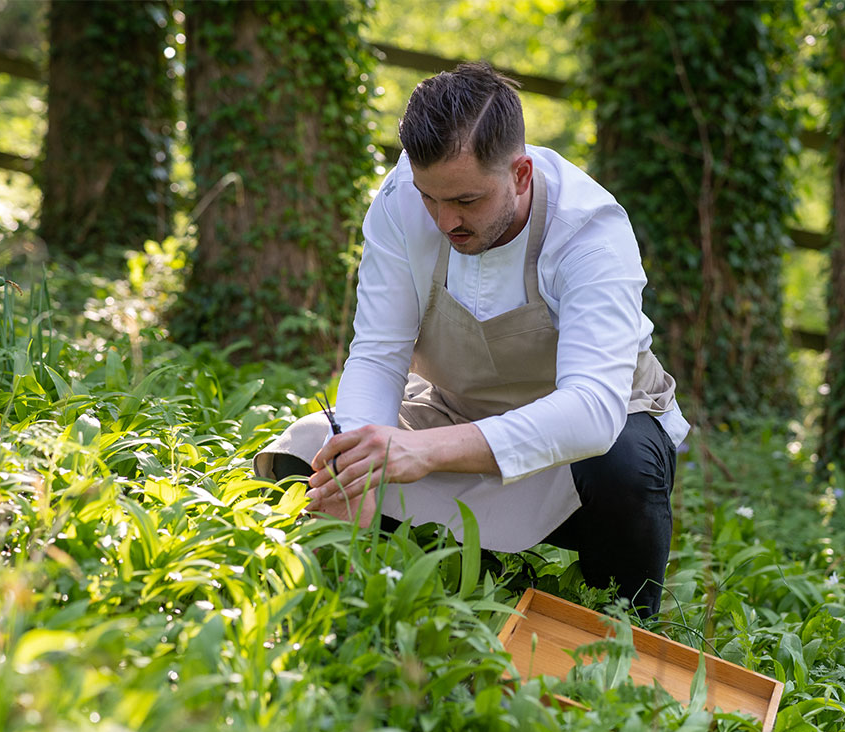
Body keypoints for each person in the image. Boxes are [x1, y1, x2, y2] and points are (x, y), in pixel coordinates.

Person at [254, 62, 688, 617]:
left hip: (583, 451)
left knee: (626, 462)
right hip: (452, 414)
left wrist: (420, 451)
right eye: (430, 198)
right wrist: (360, 470)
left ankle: (625, 615)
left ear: (522, 174)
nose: (443, 220)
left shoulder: (591, 233)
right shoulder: (399, 203)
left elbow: (591, 411)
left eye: (466, 201)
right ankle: (457, 570)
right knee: (312, 449)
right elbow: (378, 354)